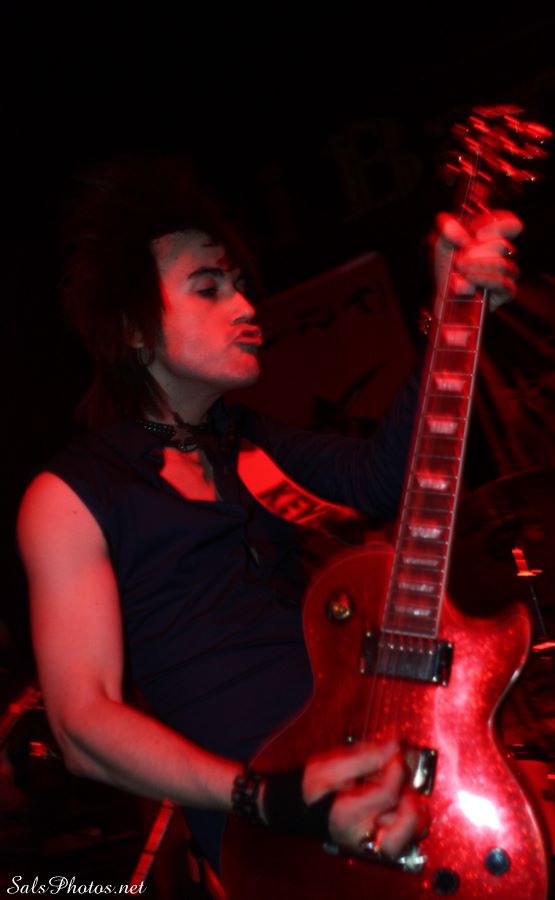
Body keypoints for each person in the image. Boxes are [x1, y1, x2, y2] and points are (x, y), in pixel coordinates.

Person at [16, 157, 521, 884]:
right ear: (133, 330)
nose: (246, 306)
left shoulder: (253, 444)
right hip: (273, 840)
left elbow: (387, 481)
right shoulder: (73, 494)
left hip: (381, 790)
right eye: (209, 288)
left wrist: (451, 316)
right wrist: (267, 799)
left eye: (240, 285)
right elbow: (81, 725)